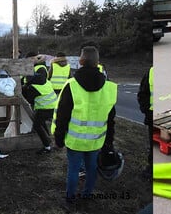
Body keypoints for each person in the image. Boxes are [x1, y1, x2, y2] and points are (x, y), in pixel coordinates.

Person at [51, 46, 117, 211]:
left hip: (75, 140)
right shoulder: (108, 87)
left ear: (80, 61)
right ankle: (87, 194)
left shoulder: (71, 85)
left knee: (73, 169)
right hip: (96, 140)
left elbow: (62, 115)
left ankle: (70, 198)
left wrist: (58, 139)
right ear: (97, 63)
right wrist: (108, 141)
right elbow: (111, 119)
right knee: (91, 168)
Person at [22, 65, 56, 155]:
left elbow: (29, 100)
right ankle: (48, 138)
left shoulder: (33, 87)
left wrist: (24, 89)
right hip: (54, 107)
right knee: (41, 123)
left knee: (37, 126)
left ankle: (47, 146)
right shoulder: (46, 82)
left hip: (44, 108)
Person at [137, 66, 153, 179]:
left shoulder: (151, 72)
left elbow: (142, 94)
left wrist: (146, 110)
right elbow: (143, 94)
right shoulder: (151, 72)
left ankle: (151, 170)